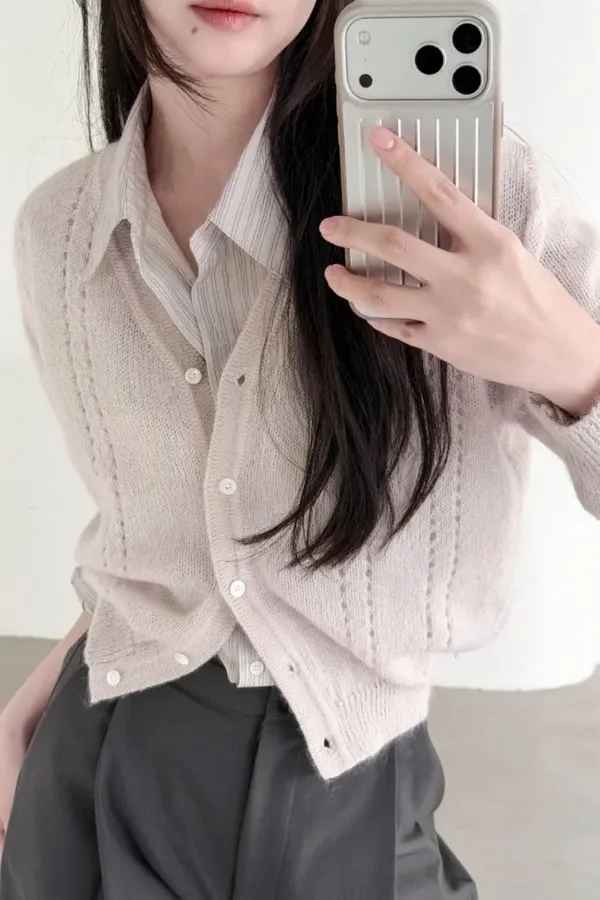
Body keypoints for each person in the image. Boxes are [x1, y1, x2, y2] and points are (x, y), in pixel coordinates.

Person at [1, 0, 599, 897]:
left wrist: (575, 364)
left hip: (348, 782)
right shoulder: (58, 232)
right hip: (93, 773)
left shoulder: (478, 201)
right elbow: (160, 536)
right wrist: (47, 686)